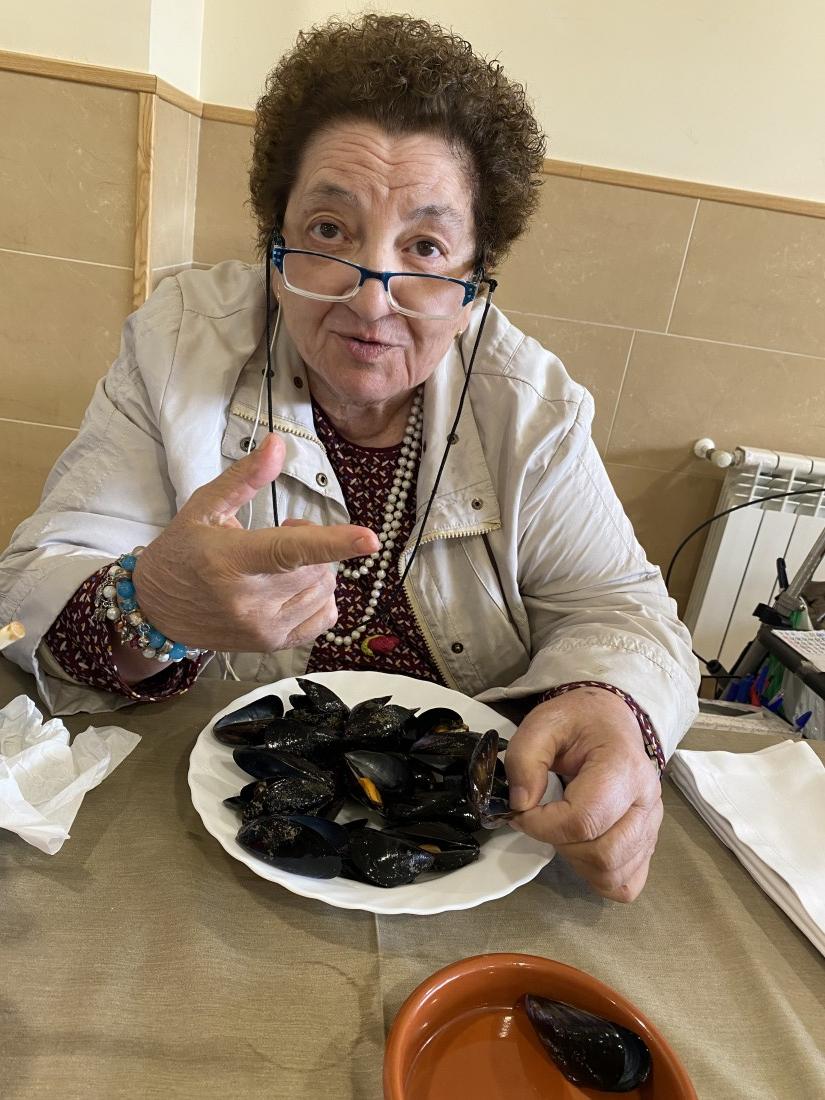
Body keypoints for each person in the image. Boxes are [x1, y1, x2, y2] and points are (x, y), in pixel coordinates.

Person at [0, 14, 699, 900]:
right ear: (274, 245)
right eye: (329, 231)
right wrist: (145, 605)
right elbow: (20, 601)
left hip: (470, 846)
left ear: (473, 285)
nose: (372, 301)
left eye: (425, 248)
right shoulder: (176, 346)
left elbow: (623, 609)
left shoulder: (532, 406)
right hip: (205, 831)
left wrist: (611, 704)